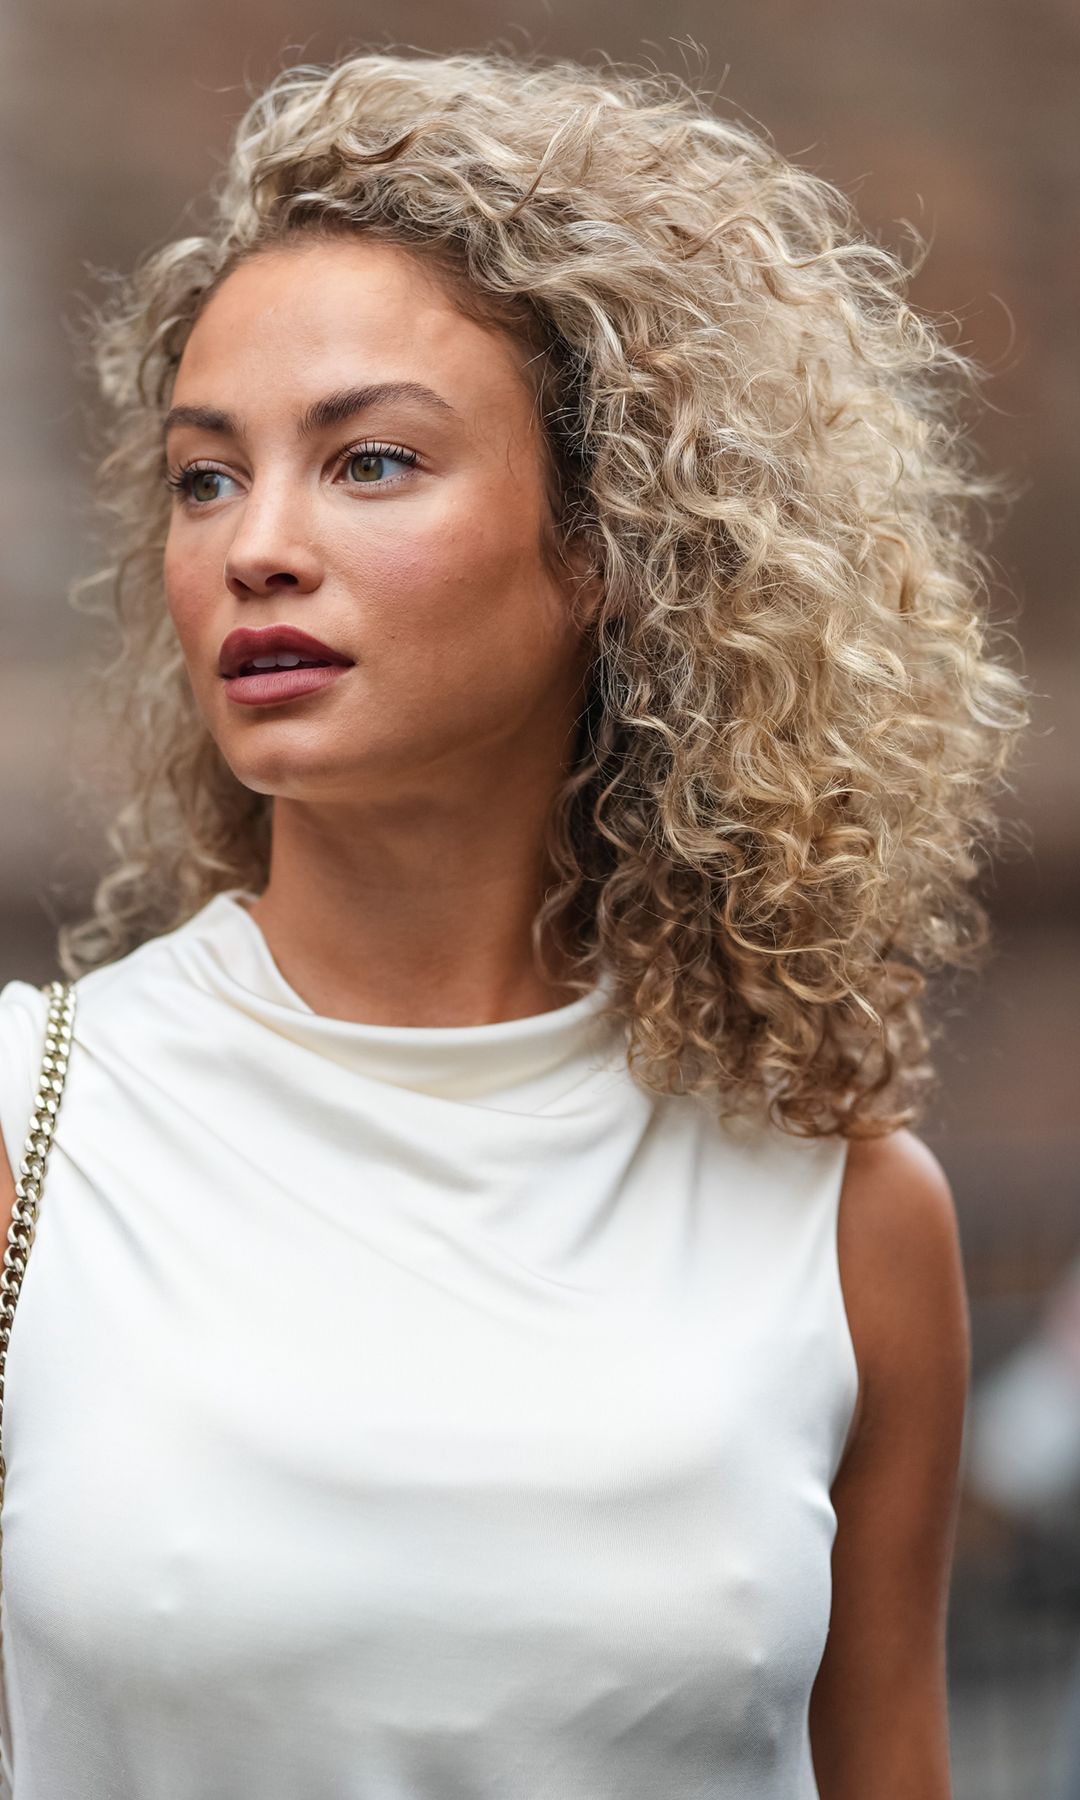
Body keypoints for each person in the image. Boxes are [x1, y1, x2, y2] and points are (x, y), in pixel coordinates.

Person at [0, 46, 1028, 1800]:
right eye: (205, 476)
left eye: (373, 461)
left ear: (611, 538)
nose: (259, 545)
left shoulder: (843, 1214)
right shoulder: (35, 1137)